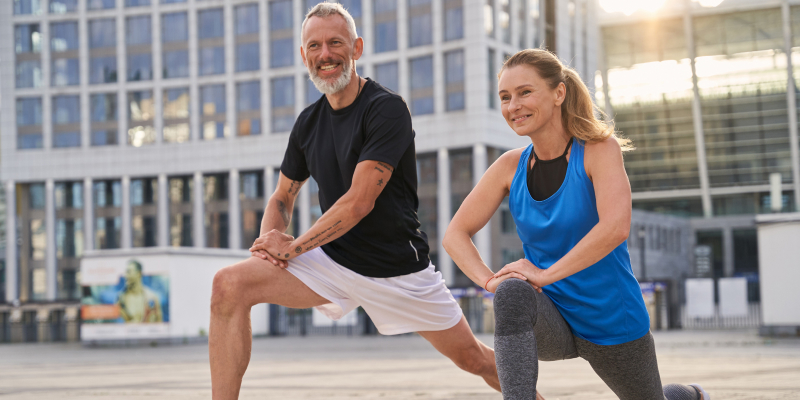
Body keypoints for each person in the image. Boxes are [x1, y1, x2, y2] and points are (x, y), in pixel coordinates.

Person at [208, 3, 499, 399]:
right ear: (304, 55)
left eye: (334, 43)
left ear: (356, 48)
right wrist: (269, 246)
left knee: (472, 359)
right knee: (229, 285)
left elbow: (358, 202)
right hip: (332, 262)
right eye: (314, 46)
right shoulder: (307, 123)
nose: (324, 55)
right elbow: (283, 195)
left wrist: (291, 247)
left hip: (396, 268)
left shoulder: (386, 109)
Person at [442, 49, 710, 400]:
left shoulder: (600, 150)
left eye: (525, 92)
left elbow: (616, 227)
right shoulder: (509, 167)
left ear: (558, 93)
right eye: (505, 97)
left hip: (610, 318)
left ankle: (689, 395)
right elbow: (454, 234)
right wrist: (490, 281)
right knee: (510, 294)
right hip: (550, 315)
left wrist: (543, 273)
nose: (513, 106)